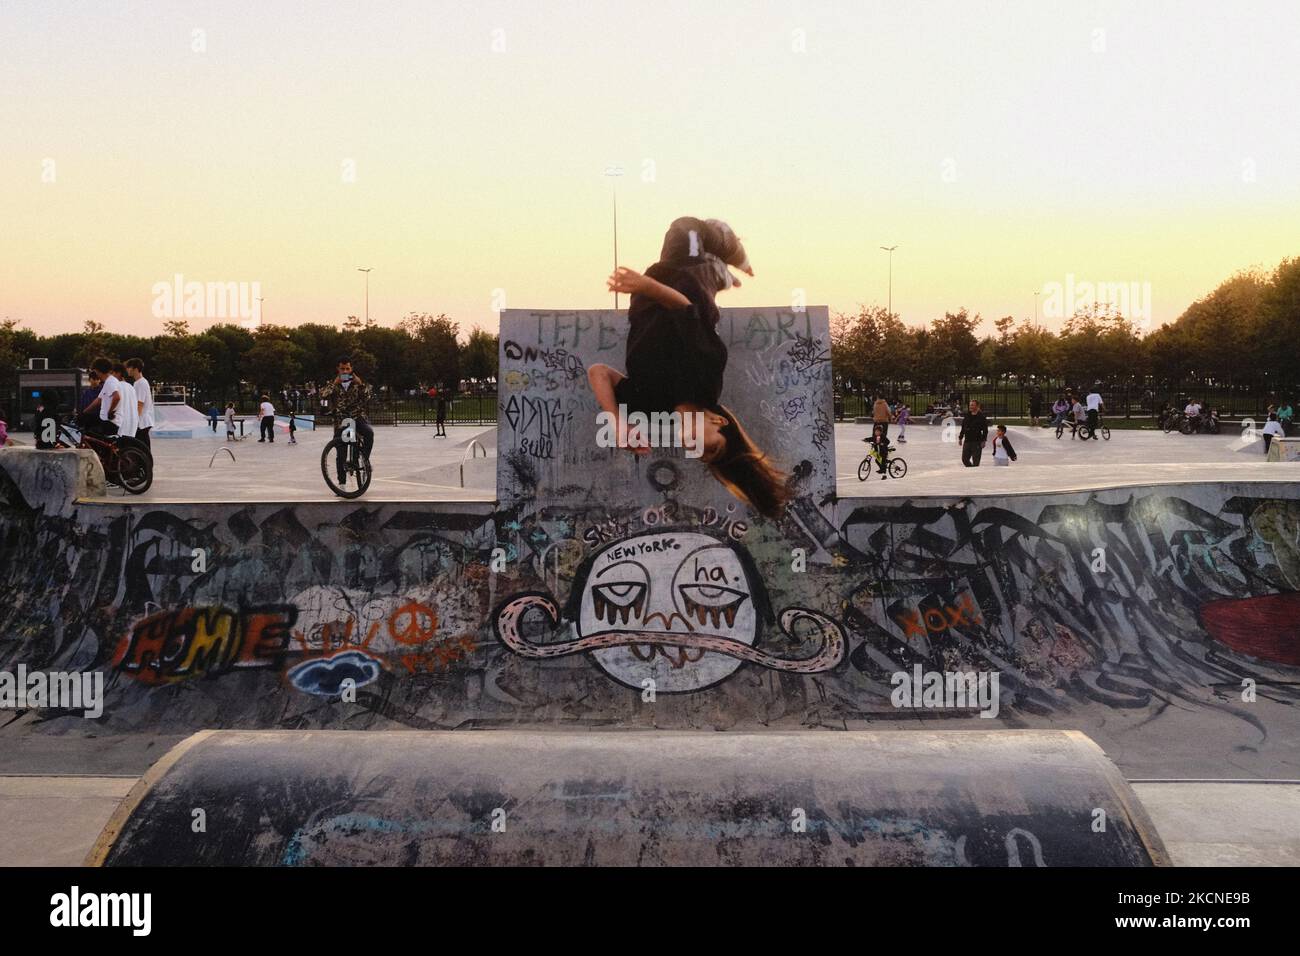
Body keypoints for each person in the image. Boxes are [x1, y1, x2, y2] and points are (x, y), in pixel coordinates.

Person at [590, 216, 788, 519]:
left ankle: (722, 271)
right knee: (687, 227)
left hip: (651, 291)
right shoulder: (704, 381)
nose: (696, 449)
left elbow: (599, 372)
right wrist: (646, 285)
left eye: (699, 455)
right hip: (686, 281)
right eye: (710, 449)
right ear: (719, 423)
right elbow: (684, 308)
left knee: (698, 256)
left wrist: (617, 422)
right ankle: (735, 254)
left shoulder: (652, 406)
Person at [318, 355, 375, 480]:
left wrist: (360, 384)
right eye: (342, 369)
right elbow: (322, 395)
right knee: (341, 451)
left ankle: (364, 460)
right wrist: (334, 384)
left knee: (369, 433)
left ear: (351, 369)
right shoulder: (333, 384)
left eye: (347, 369)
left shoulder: (357, 383)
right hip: (341, 419)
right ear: (338, 369)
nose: (345, 372)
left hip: (356, 416)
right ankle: (342, 483)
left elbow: (367, 398)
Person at [79, 358, 121, 438]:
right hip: (106, 421)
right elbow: (98, 400)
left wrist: (109, 412)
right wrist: (84, 412)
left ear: (98, 370)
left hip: (110, 422)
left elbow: (117, 397)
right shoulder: (108, 382)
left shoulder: (110, 382)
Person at [124, 358, 154, 450]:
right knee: (143, 447)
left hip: (142, 422)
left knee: (141, 448)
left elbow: (139, 404)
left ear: (135, 369)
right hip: (144, 421)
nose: (127, 370)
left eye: (129, 367)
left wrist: (134, 422)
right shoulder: (140, 382)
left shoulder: (140, 383)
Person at [958, 399, 989, 467]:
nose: (970, 406)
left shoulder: (981, 417)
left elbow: (985, 430)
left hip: (977, 442)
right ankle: (971, 470)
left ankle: (974, 473)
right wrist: (960, 437)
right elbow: (963, 427)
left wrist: (984, 440)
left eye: (972, 405)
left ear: (977, 406)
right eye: (970, 405)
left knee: (976, 462)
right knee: (964, 459)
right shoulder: (967, 415)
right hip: (967, 441)